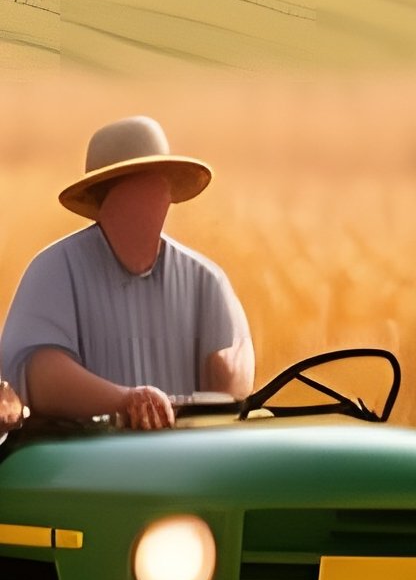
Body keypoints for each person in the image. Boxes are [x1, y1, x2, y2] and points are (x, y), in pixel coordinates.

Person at [0, 117, 254, 432]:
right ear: (103, 200)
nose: (152, 202)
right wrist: (125, 400)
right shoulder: (54, 272)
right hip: (86, 467)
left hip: (189, 463)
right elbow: (40, 377)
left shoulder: (206, 280)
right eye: (135, 190)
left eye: (158, 189)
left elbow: (233, 383)